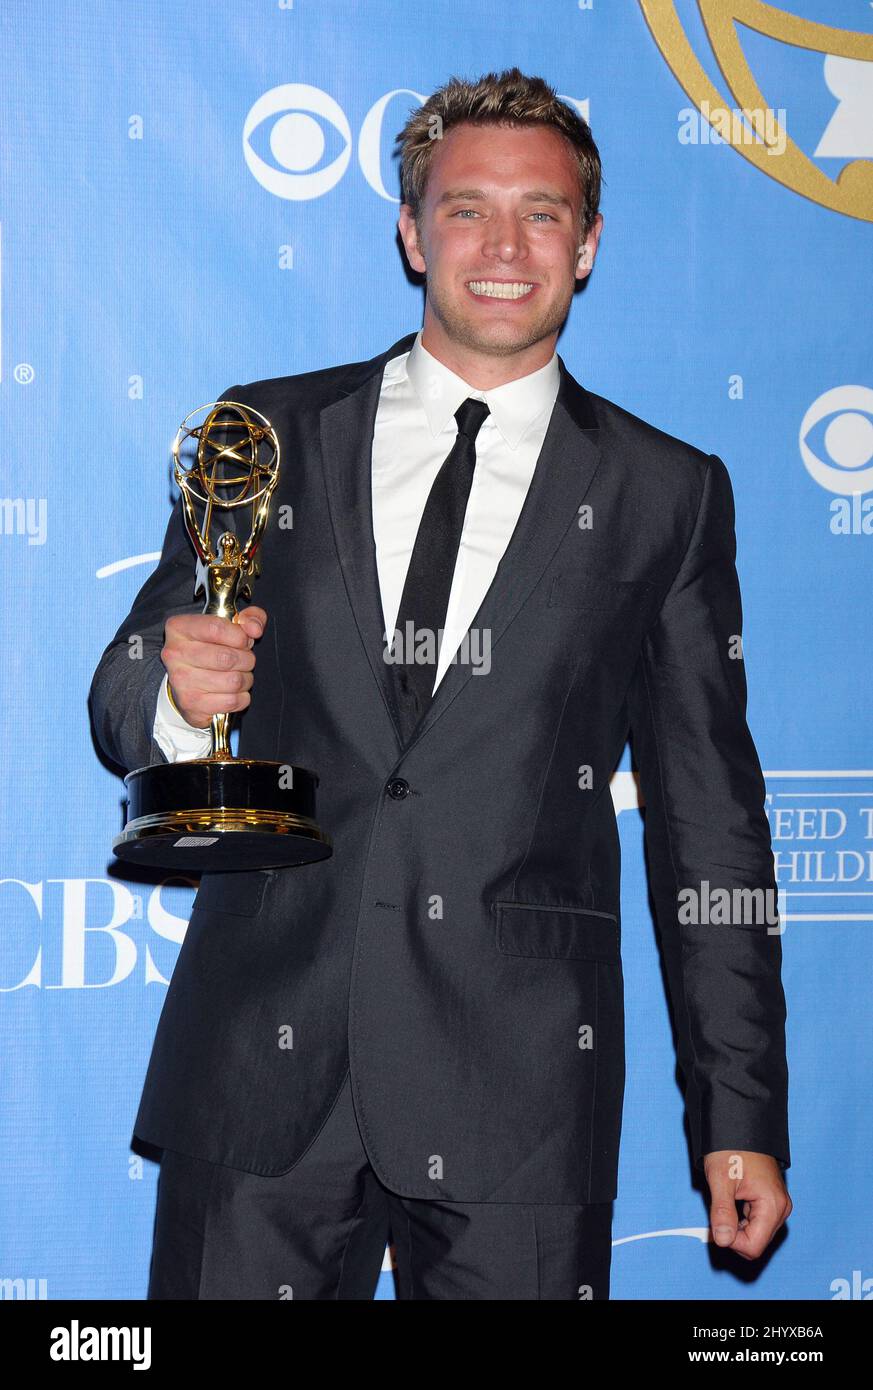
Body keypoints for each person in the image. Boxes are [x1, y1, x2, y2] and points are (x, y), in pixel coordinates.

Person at [89, 66, 791, 1301]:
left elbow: (712, 833)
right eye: (467, 210)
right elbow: (124, 688)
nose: (504, 245)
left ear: (589, 244)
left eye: (543, 213)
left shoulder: (666, 496)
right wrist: (174, 692)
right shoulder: (266, 434)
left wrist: (739, 1109)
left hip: (518, 1088)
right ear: (412, 232)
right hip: (263, 1069)